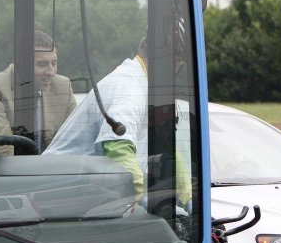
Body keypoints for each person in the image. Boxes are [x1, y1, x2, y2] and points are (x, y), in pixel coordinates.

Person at [46, 37, 192, 208]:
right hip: (59, 195)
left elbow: (166, 145)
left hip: (84, 192)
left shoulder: (142, 85)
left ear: (141, 46)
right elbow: (117, 148)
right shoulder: (129, 88)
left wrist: (188, 199)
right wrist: (142, 201)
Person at [0, 30, 77, 155]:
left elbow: (76, 140)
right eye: (42, 64)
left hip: (48, 170)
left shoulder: (63, 86)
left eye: (54, 63)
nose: (51, 72)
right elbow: (2, 150)